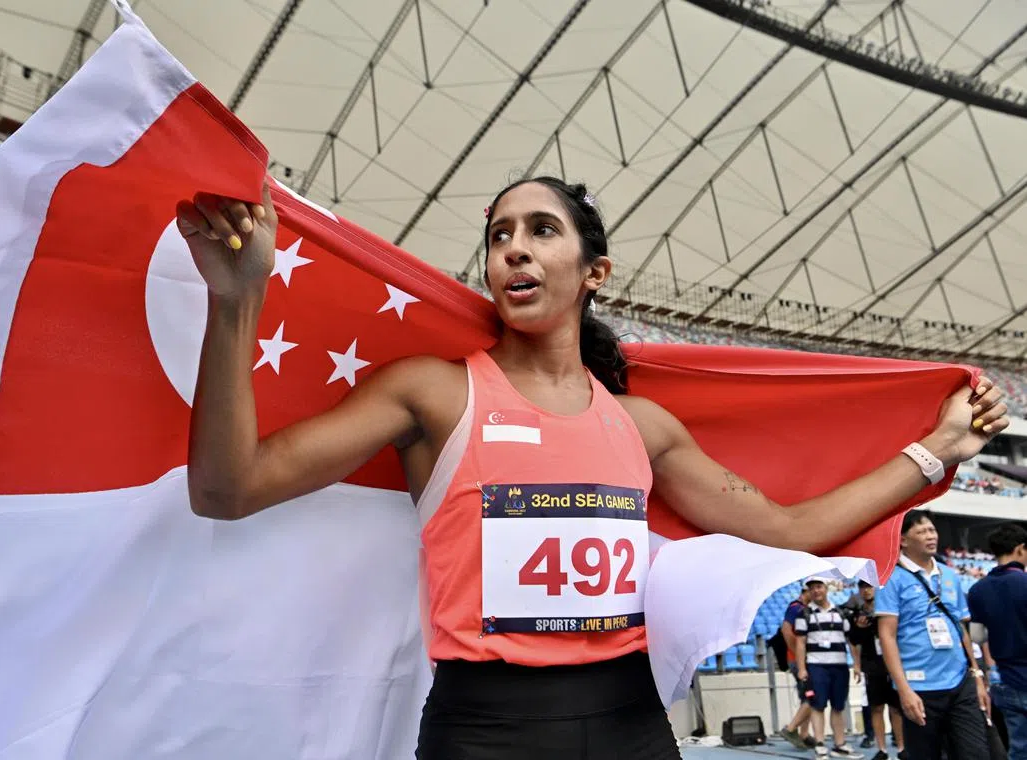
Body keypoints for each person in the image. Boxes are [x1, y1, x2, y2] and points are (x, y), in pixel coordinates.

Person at [177, 176, 1011, 759]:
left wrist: (934, 453)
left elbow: (793, 529)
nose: (513, 249)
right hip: (484, 731)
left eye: (541, 230)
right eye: (498, 235)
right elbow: (228, 487)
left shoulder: (642, 427)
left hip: (629, 724)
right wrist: (236, 297)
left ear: (593, 272)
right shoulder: (435, 395)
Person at [877, 512, 991, 760]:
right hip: (920, 689)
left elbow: (964, 627)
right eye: (922, 532)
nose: (930, 536)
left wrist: (978, 674)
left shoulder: (949, 575)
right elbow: (887, 636)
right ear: (903, 540)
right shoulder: (891, 579)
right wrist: (904, 689)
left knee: (977, 754)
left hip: (961, 682)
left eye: (932, 530)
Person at [968, 523, 1027, 760]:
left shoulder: (977, 590)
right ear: (1021, 549)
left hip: (1005, 680)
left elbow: (978, 637)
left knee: (1018, 749)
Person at [795, 577, 863, 757]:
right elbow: (800, 643)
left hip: (839, 665)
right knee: (818, 705)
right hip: (817, 666)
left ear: (826, 588)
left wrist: (856, 664)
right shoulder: (804, 614)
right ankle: (820, 743)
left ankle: (839, 744)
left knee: (838, 706)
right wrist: (802, 668)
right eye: (812, 588)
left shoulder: (841, 613)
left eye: (819, 587)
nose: (816, 591)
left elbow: (851, 641)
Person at [848, 580, 906, 760]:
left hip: (893, 665)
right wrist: (857, 665)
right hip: (872, 666)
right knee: (876, 708)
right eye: (863, 587)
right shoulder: (858, 617)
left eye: (869, 587)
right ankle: (882, 749)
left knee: (896, 708)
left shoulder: (888, 610)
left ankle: (902, 747)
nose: (866, 591)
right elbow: (854, 641)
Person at [780, 586, 820, 750]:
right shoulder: (796, 608)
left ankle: (804, 734)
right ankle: (791, 729)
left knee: (808, 695)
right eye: (812, 590)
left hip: (805, 659)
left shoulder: (807, 609)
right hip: (798, 661)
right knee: (812, 695)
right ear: (806, 592)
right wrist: (798, 655)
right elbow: (786, 629)